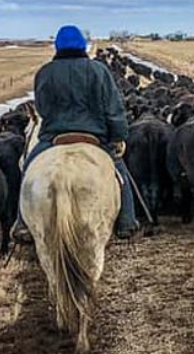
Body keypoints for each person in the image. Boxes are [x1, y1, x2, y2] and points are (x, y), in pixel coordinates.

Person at [12, 25, 138, 242]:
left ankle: (22, 223)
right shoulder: (98, 70)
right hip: (94, 137)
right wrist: (118, 136)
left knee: (28, 170)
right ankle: (127, 220)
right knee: (120, 171)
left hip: (53, 138)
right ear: (83, 45)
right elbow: (113, 108)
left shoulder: (45, 72)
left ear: (57, 46)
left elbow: (42, 108)